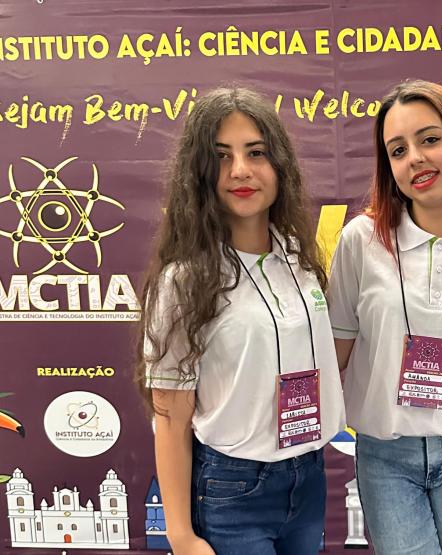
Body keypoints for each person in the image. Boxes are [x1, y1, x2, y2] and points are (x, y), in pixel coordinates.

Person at [134, 87, 345, 555]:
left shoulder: (301, 261)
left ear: (280, 165)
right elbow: (170, 417)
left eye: (256, 153)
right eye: (221, 157)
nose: (241, 171)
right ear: (201, 174)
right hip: (231, 489)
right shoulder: (183, 281)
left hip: (307, 476)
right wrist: (182, 535)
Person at [327, 80, 442, 554]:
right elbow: (336, 353)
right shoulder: (361, 241)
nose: (415, 158)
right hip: (386, 453)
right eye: (397, 150)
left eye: (429, 139)